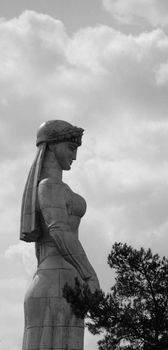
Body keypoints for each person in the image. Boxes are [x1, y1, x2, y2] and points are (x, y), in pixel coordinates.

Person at [20, 120, 100, 350]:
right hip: (52, 282)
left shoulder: (60, 189)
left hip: (68, 281)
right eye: (71, 148)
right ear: (52, 146)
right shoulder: (47, 186)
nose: (75, 157)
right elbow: (59, 230)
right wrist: (90, 276)